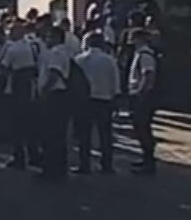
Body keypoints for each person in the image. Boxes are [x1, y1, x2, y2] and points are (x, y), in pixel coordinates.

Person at [74, 33, 121, 174]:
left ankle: (84, 164)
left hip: (84, 100)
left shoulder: (79, 60)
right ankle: (107, 165)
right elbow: (115, 81)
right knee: (105, 134)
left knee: (84, 134)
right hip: (104, 99)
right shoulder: (109, 60)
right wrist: (116, 98)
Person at [0, 23, 40, 169]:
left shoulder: (12, 49)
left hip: (16, 86)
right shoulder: (32, 46)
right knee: (31, 123)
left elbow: (4, 68)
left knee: (16, 124)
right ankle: (34, 155)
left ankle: (19, 157)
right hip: (31, 86)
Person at [36, 24, 74, 182]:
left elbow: (54, 72)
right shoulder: (62, 52)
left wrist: (44, 90)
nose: (46, 39)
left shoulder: (56, 52)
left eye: (49, 36)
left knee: (51, 134)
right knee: (57, 134)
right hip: (59, 96)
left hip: (54, 95)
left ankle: (51, 170)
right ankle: (57, 169)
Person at [128, 28, 161, 174]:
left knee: (143, 127)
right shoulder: (140, 54)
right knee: (140, 128)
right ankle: (146, 158)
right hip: (139, 94)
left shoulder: (145, 55)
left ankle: (149, 162)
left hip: (143, 96)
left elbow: (148, 75)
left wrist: (142, 92)